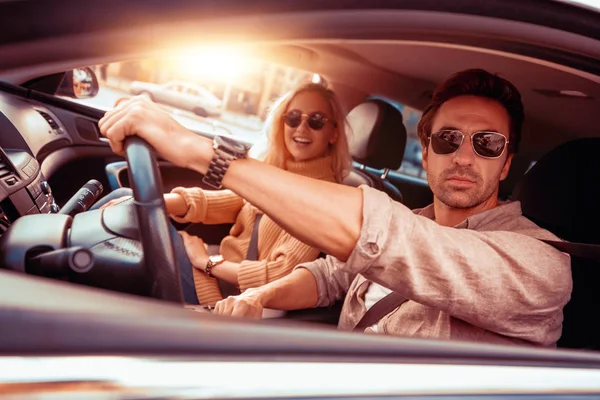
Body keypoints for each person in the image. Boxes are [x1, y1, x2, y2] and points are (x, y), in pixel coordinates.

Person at [99, 69, 572, 347]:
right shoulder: (414, 220)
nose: (465, 156)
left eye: (487, 144)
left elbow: (392, 239)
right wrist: (256, 299)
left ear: (507, 162)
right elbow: (331, 276)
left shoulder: (542, 266)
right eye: (448, 139)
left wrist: (198, 150)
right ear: (426, 153)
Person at [95, 82, 352, 305]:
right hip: (212, 269)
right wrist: (159, 202)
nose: (301, 129)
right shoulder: (277, 171)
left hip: (223, 296)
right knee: (126, 203)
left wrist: (205, 261)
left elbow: (280, 275)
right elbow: (228, 201)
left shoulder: (324, 198)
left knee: (114, 237)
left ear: (334, 133)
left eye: (316, 121)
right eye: (293, 118)